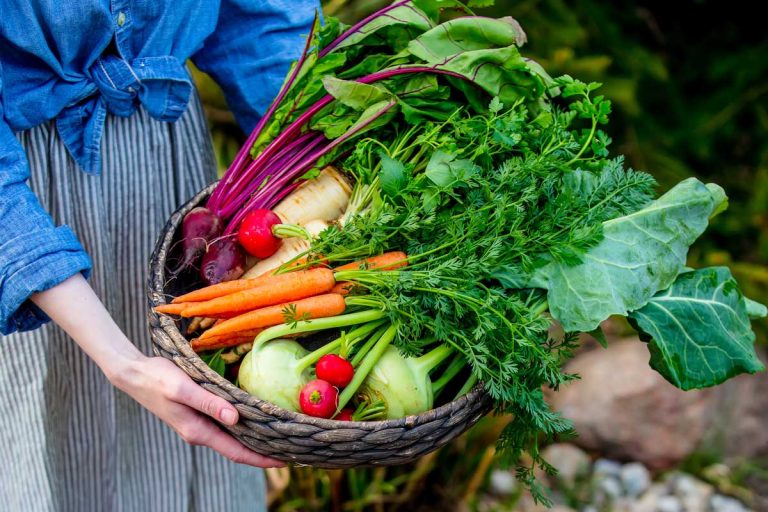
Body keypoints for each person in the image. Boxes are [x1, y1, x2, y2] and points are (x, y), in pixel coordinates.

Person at [0, 1, 318, 510]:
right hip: (30, 200)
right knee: (64, 435)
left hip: (171, 162)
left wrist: (325, 164)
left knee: (200, 400)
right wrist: (122, 361)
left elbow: (261, 24)